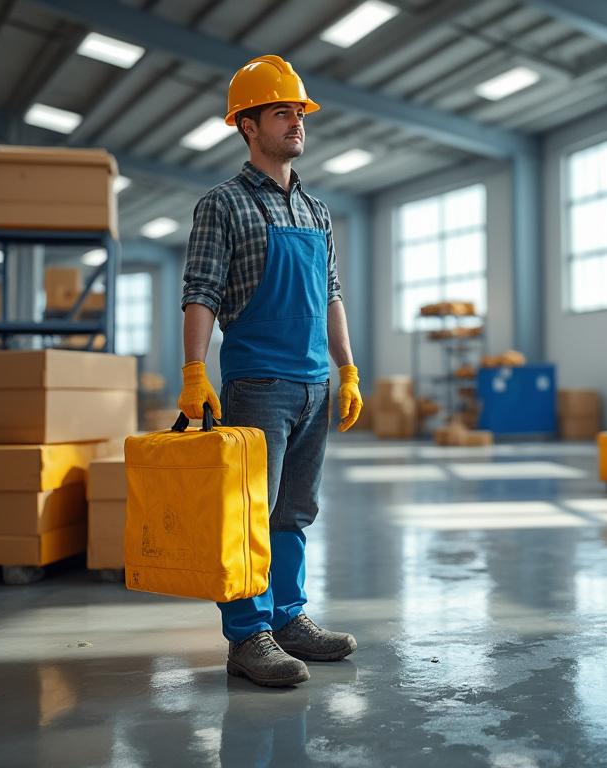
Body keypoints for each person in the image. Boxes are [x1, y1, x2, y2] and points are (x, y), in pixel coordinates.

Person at [178, 54, 363, 688]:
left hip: (314, 384)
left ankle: (288, 620)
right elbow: (200, 289)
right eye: (281, 111)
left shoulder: (316, 209)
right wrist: (193, 369)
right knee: (250, 514)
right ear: (246, 125)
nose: (295, 121)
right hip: (257, 385)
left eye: (299, 111)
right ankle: (247, 636)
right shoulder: (222, 204)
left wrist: (348, 368)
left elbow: (332, 292)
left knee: (294, 513)